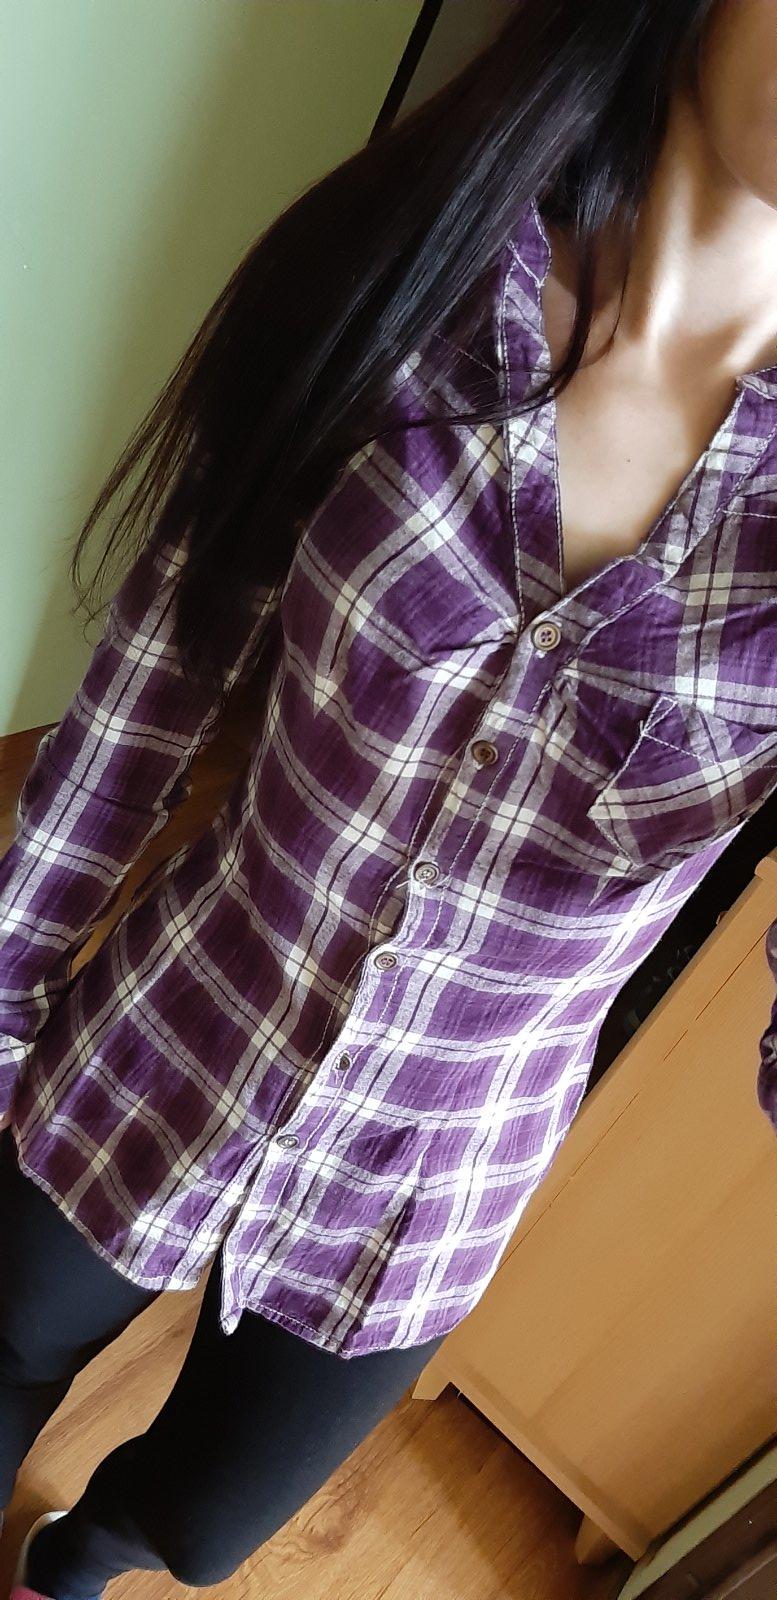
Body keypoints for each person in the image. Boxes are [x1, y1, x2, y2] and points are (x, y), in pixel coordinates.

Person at [1, 1, 776, 1595]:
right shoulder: (404, 275)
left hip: (435, 1175)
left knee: (198, 1531)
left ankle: (76, 1558)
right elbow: (152, 684)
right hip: (177, 1014)